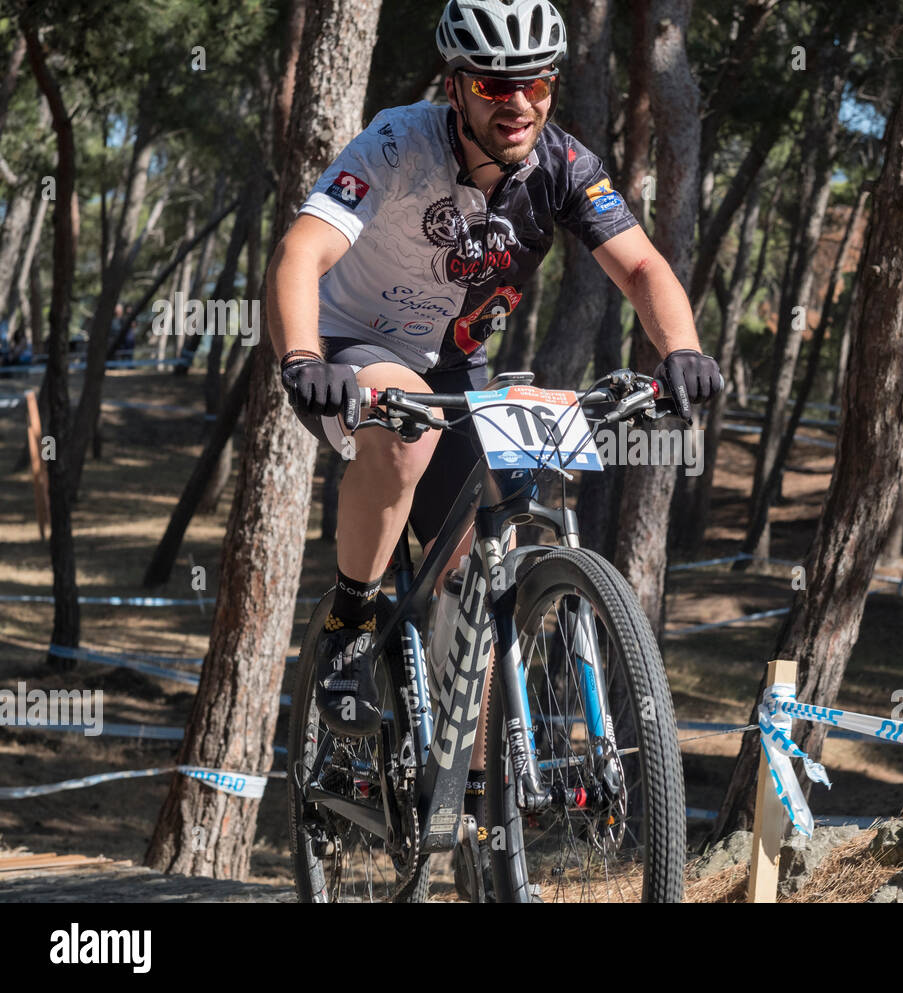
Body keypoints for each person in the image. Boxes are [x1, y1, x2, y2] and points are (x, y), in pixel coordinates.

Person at [265, 0, 721, 870]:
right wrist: (298, 356)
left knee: (479, 570)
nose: (518, 102)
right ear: (455, 87)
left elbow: (641, 266)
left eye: (537, 83)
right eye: (494, 84)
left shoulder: (563, 165)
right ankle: (352, 618)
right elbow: (300, 253)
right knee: (404, 437)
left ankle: (475, 803)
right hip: (350, 345)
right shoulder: (399, 143)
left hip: (457, 365)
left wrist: (684, 351)